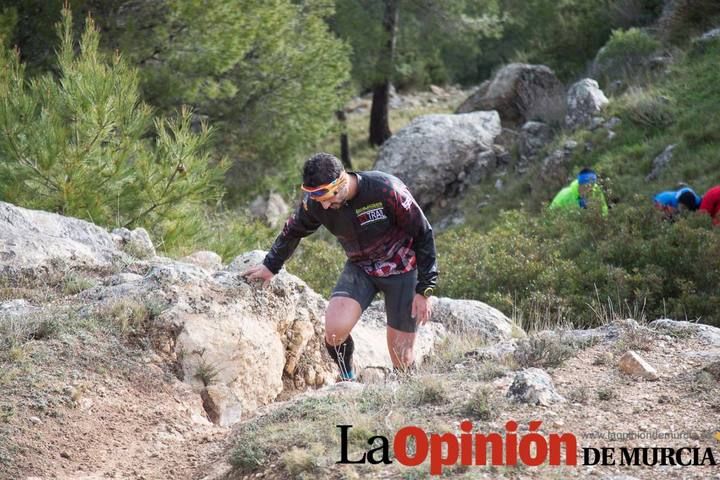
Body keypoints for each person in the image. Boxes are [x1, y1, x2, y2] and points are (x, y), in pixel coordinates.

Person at [242, 153, 438, 381]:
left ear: (342, 180)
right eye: (318, 198)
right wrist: (270, 266)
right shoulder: (317, 204)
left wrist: (425, 289)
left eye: (328, 196)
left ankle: (408, 393)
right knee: (334, 332)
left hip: (403, 270)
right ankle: (348, 379)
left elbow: (423, 233)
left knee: (401, 357)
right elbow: (292, 231)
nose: (324, 204)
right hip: (361, 268)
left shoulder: (386, 189)